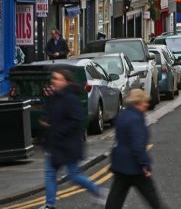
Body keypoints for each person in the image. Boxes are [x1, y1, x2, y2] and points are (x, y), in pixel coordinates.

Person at [40, 69, 107, 209]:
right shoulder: (56, 97)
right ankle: (50, 204)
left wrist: (57, 131)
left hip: (68, 146)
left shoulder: (71, 98)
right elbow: (53, 116)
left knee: (73, 175)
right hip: (56, 145)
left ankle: (99, 192)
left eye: (57, 79)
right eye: (53, 78)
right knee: (50, 174)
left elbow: (76, 121)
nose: (54, 81)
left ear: (66, 82)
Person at [105, 89, 164, 209]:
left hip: (120, 164)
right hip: (134, 166)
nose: (147, 105)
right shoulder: (136, 120)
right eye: (145, 102)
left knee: (114, 201)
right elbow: (137, 146)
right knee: (153, 200)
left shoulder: (123, 115)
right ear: (139, 102)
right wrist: (145, 165)